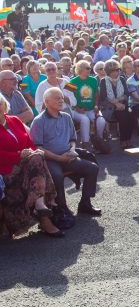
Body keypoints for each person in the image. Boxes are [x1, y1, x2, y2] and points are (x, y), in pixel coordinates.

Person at [30, 87, 101, 216]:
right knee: (57, 176)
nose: (61, 100)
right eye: (57, 98)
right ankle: (62, 208)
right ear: (46, 102)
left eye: (62, 97)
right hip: (50, 159)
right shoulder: (39, 121)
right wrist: (59, 158)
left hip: (68, 155)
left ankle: (85, 203)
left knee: (93, 168)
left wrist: (72, 150)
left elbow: (73, 139)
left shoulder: (66, 117)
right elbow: (38, 148)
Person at [0, 93, 62, 238]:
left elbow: (31, 143)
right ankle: (42, 204)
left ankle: (40, 205)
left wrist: (30, 152)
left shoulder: (14, 120)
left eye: (0, 104)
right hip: (6, 170)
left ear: (4, 106)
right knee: (37, 158)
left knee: (37, 155)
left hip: (28, 166)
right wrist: (19, 155)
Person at [99, 59, 134, 149]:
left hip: (122, 104)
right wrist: (116, 104)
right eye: (113, 70)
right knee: (123, 116)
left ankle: (128, 139)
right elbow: (104, 96)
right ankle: (123, 140)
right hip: (109, 107)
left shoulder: (122, 79)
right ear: (108, 72)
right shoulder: (103, 81)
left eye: (117, 70)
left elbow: (126, 94)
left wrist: (119, 101)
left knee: (130, 115)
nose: (116, 72)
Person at [70, 60, 105, 149]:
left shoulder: (93, 80)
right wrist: (77, 108)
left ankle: (98, 140)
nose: (90, 70)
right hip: (77, 110)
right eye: (88, 68)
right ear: (80, 69)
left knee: (101, 121)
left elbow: (96, 94)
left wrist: (96, 105)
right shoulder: (72, 81)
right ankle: (85, 143)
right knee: (85, 119)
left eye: (90, 68)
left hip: (91, 109)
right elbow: (67, 97)